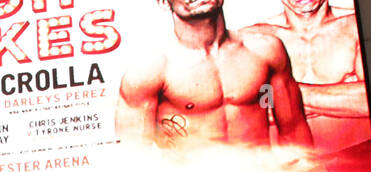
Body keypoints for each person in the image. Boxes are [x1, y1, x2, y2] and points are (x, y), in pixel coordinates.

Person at [117, 0, 312, 150]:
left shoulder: (266, 51)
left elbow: (294, 133)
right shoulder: (151, 70)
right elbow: (135, 159)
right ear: (162, 1)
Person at [244, 0, 370, 156]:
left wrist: (282, 95)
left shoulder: (359, 25)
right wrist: (345, 94)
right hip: (293, 169)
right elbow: (250, 114)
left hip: (361, 161)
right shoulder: (254, 39)